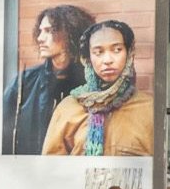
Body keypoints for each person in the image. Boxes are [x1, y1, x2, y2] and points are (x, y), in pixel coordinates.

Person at [42, 21, 152, 157]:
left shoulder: (149, 109)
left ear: (129, 54)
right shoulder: (68, 109)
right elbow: (51, 169)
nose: (107, 60)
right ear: (87, 59)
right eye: (98, 52)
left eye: (117, 50)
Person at [2, 4, 93, 154]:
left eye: (49, 31)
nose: (39, 38)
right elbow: (3, 133)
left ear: (71, 33)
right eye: (40, 31)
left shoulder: (90, 83)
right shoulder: (24, 81)